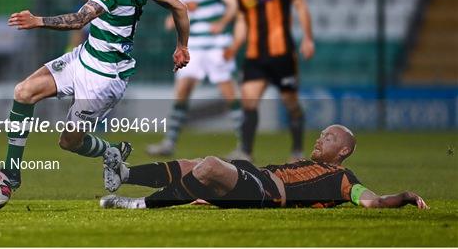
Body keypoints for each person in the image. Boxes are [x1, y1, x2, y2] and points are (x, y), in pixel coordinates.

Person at [4, 0, 190, 189]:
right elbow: (179, 6)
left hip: (103, 79)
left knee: (69, 142)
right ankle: (11, 173)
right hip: (83, 57)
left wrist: (37, 21)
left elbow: (80, 20)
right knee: (23, 92)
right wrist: (182, 46)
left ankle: (111, 150)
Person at [100, 124, 429, 210]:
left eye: (327, 137)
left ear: (343, 150)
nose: (320, 138)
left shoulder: (345, 179)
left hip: (266, 192)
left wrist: (406, 195)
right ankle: (125, 174)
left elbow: (373, 201)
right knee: (194, 163)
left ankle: (140, 204)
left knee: (211, 166)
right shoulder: (305, 162)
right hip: (256, 175)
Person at [224, 0, 315, 162]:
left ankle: (296, 152)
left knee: (291, 104)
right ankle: (245, 152)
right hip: (255, 55)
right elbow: (243, 21)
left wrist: (308, 38)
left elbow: (300, 4)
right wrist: (235, 46)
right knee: (248, 101)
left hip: (282, 53)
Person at [146, 0, 241, 156]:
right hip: (193, 45)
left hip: (216, 45)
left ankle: (243, 146)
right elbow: (184, 10)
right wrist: (173, 20)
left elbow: (233, 3)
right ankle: (169, 143)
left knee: (229, 93)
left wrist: (223, 23)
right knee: (182, 92)